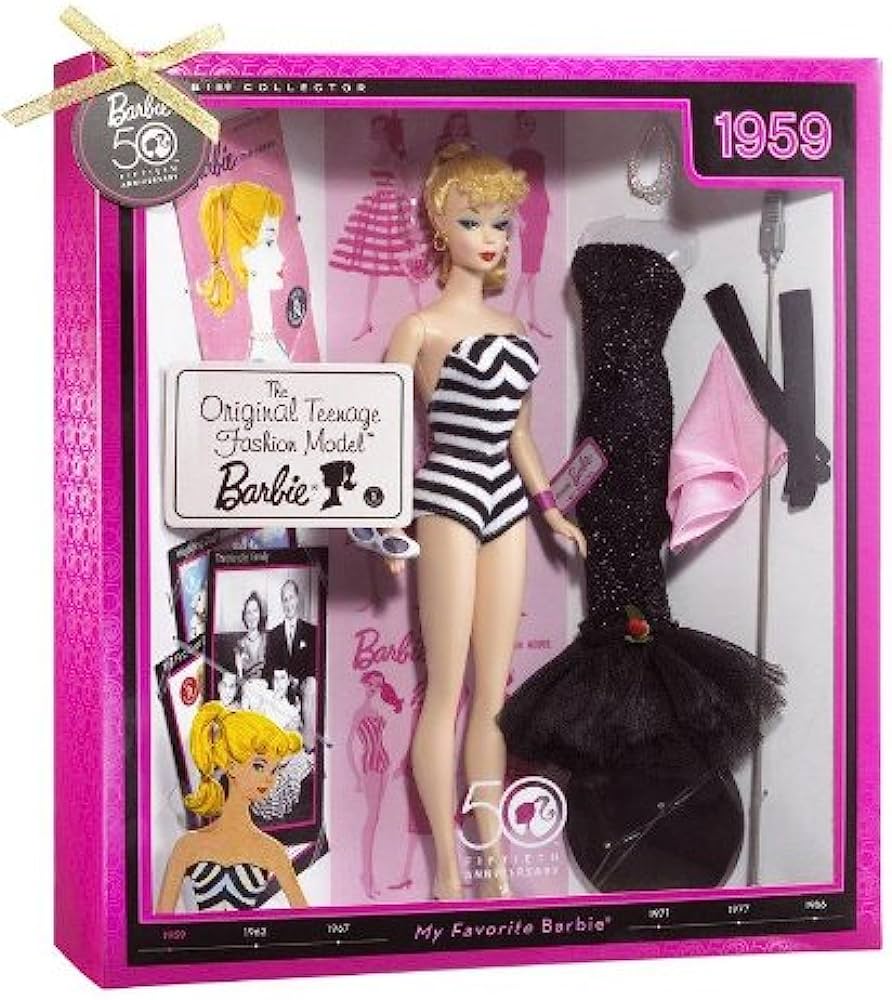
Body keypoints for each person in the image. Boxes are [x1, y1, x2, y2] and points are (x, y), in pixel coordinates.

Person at [379, 144, 586, 900]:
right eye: (472, 220)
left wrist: (552, 509)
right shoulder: (419, 327)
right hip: (446, 497)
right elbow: (380, 429)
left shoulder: (513, 329)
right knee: (445, 691)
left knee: (493, 696)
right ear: (440, 225)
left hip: (505, 501)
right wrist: (384, 524)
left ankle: (493, 864)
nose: (491, 236)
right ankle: (445, 866)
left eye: (500, 222)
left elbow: (521, 436)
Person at [156, 702, 308, 912]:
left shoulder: (273, 851)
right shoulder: (187, 846)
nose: (269, 779)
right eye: (259, 766)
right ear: (231, 766)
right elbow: (162, 921)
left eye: (274, 770)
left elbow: (304, 918)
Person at [265, 578, 318, 746]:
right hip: (281, 685)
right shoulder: (273, 634)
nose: (288, 604)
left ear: (298, 599)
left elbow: (314, 666)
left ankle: (309, 745)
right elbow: (269, 667)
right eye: (284, 599)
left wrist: (298, 680)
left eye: (291, 598)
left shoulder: (312, 631)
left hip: (303, 685)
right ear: (282, 603)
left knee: (311, 684)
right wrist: (283, 680)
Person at [233, 591, 267, 683]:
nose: (252, 616)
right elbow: (239, 679)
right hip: (247, 688)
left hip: (265, 688)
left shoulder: (268, 640)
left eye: (255, 611)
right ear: (244, 616)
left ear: (260, 614)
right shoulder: (240, 644)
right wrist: (240, 675)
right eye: (248, 612)